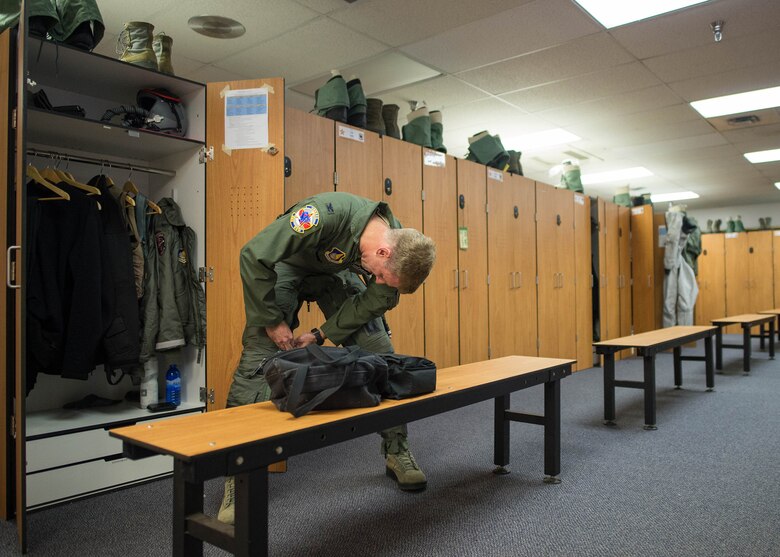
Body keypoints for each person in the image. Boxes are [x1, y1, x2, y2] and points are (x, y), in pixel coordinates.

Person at [218, 191, 436, 524]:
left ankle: (397, 450)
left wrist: (323, 333)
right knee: (257, 360)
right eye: (379, 275)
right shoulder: (321, 215)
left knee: (381, 357)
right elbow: (253, 255)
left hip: (335, 275)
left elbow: (375, 298)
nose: (378, 281)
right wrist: (272, 321)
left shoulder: (400, 245)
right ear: (383, 252)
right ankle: (237, 475)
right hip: (287, 266)